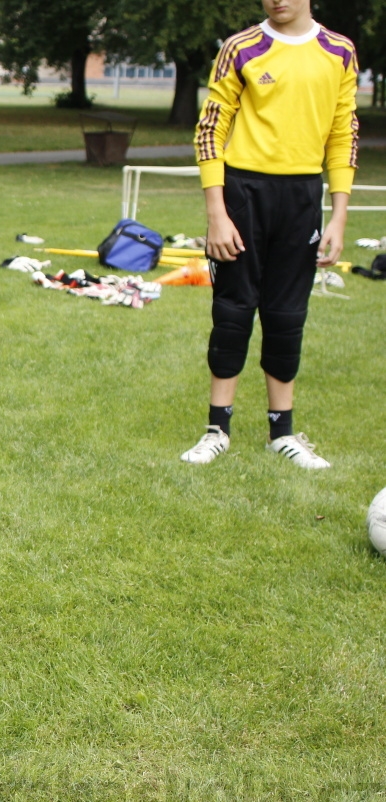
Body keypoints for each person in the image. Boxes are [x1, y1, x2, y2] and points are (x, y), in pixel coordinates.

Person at [181, 0, 357, 469]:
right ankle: (217, 430)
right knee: (233, 311)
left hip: (302, 196)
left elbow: (344, 132)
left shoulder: (339, 51)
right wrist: (217, 213)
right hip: (242, 193)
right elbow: (210, 130)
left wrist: (338, 216)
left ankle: (283, 433)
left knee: (286, 314)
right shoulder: (240, 47)